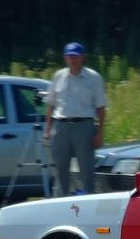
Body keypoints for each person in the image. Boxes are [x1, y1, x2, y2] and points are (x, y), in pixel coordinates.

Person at [43, 42, 107, 196]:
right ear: (65, 58)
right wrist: (47, 131)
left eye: (76, 56)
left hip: (84, 126)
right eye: (69, 56)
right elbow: (51, 105)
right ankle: (61, 204)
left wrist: (100, 132)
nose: (73, 60)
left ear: (82, 57)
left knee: (86, 170)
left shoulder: (93, 78)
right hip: (61, 126)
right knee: (60, 171)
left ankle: (87, 205)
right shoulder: (58, 76)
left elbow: (101, 108)